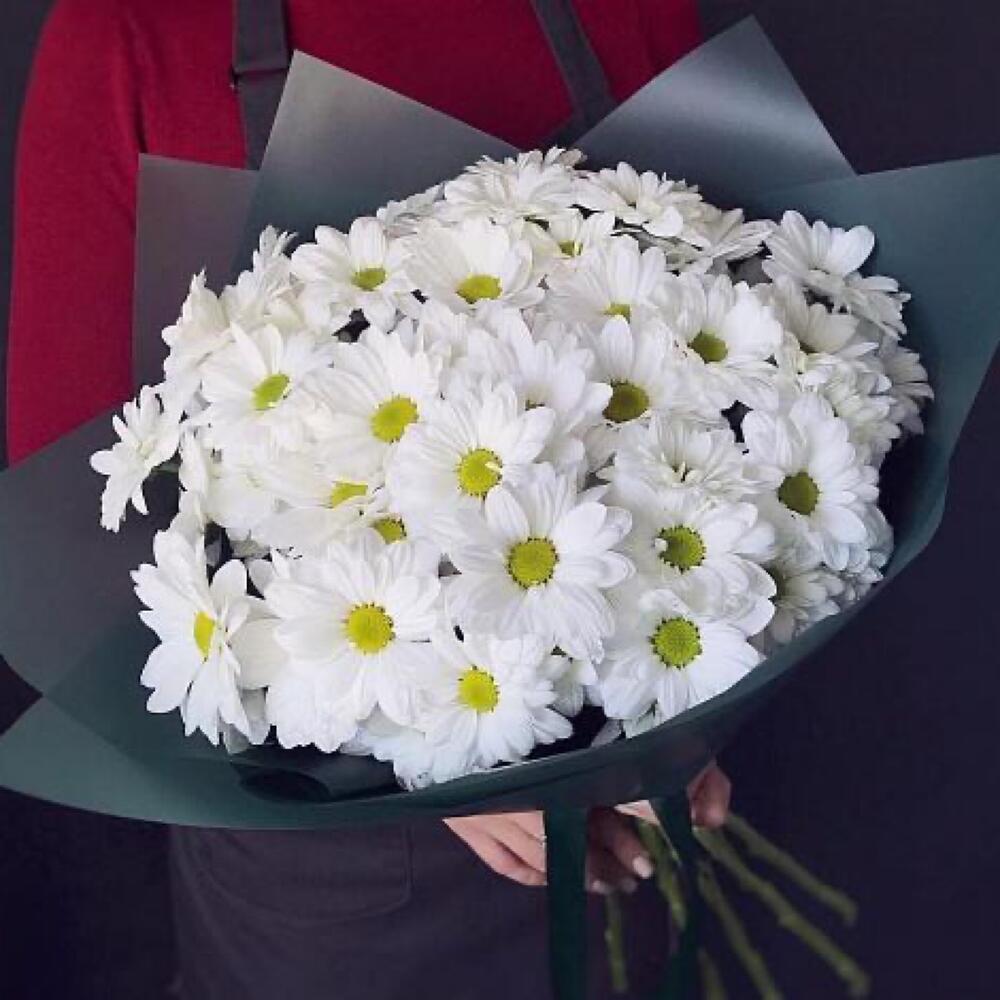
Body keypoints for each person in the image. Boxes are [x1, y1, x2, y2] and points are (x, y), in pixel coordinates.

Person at [7, 1, 732, 996]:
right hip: (337, 867)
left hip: (636, 803)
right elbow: (73, 505)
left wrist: (689, 703)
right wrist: (425, 744)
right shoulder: (133, 30)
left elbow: (718, 321)